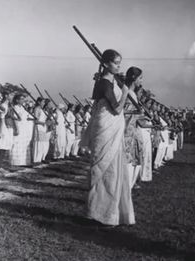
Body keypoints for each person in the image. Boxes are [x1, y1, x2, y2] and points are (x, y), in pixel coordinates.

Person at [82, 49, 135, 226]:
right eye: (116, 63)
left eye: (120, 63)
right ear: (106, 64)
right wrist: (126, 91)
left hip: (111, 129)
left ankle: (109, 214)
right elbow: (117, 109)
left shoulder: (108, 81)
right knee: (105, 171)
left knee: (112, 171)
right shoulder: (104, 83)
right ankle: (98, 214)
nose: (119, 66)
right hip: (105, 128)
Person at [124, 67, 144, 189]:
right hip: (126, 133)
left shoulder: (132, 94)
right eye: (140, 78)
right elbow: (123, 113)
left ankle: (127, 189)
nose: (141, 81)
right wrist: (136, 113)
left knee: (130, 162)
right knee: (126, 163)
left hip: (131, 132)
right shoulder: (128, 94)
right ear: (133, 78)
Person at [0, 91, 16, 172]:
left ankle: (0, 165)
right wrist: (1, 130)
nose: (13, 96)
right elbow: (1, 118)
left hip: (8, 126)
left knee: (4, 146)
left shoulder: (9, 105)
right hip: (3, 126)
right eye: (11, 94)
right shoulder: (3, 105)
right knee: (0, 146)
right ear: (6, 95)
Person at [10, 94, 33, 167]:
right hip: (18, 127)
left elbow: (26, 117)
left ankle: (23, 162)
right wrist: (16, 128)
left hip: (24, 128)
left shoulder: (23, 108)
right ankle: (16, 163)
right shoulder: (15, 108)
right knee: (17, 145)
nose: (23, 100)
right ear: (17, 100)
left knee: (24, 145)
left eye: (23, 99)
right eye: (22, 99)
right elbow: (14, 119)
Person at [33, 97, 50, 164]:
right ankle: (36, 159)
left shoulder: (42, 110)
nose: (44, 103)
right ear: (39, 102)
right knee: (38, 144)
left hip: (43, 128)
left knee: (43, 144)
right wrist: (44, 123)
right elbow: (36, 121)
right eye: (43, 102)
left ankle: (41, 158)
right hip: (38, 127)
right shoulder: (37, 109)